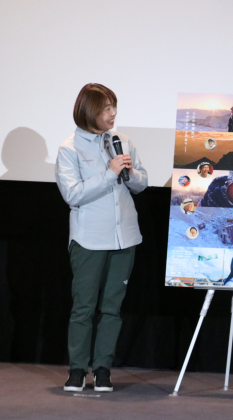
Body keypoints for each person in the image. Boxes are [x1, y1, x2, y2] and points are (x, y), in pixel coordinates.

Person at [55, 83, 148, 393]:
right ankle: (77, 369)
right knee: (84, 307)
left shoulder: (122, 142)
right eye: (106, 108)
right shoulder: (70, 148)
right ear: (89, 111)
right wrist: (109, 173)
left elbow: (141, 183)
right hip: (89, 240)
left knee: (112, 307)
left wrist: (130, 174)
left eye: (114, 106)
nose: (113, 113)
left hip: (125, 238)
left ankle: (103, 369)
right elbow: (73, 194)